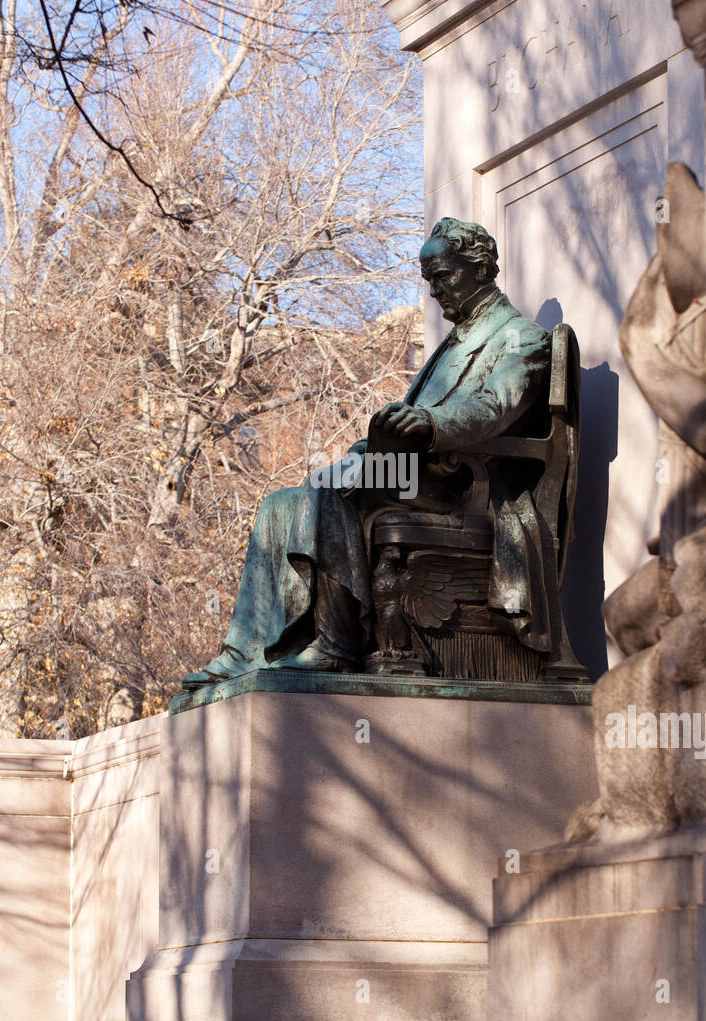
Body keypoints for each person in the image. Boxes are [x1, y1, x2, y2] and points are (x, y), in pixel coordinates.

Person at [175, 216, 554, 700]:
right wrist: (378, 442)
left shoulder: (520, 338)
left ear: (479, 267)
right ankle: (246, 649)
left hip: (467, 489)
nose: (435, 290)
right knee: (280, 503)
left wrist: (431, 425)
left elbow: (494, 407)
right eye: (429, 278)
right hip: (418, 475)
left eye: (443, 275)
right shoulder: (454, 344)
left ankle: (336, 643)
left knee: (331, 487)